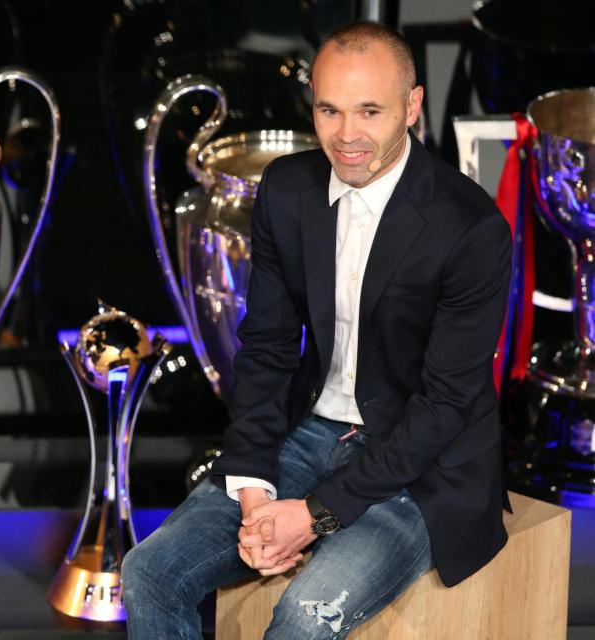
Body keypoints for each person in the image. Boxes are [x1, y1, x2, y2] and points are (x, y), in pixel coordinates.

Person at [122, 20, 512, 640]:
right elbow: (269, 346)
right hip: (310, 430)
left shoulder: (471, 227)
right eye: (329, 110)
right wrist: (253, 490)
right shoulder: (287, 188)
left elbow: (445, 406)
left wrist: (314, 514)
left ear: (412, 107)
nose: (347, 135)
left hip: (422, 466)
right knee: (148, 572)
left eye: (369, 111)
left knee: (306, 616)